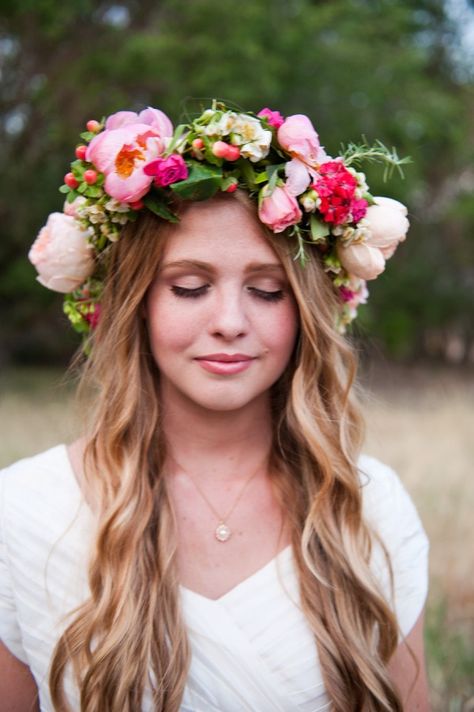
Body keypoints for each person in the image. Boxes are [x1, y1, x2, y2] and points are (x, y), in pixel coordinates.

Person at [0, 102, 429, 711]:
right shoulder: (23, 511)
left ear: (306, 310)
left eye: (266, 290)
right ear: (137, 303)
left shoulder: (372, 509)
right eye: (190, 287)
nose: (229, 321)